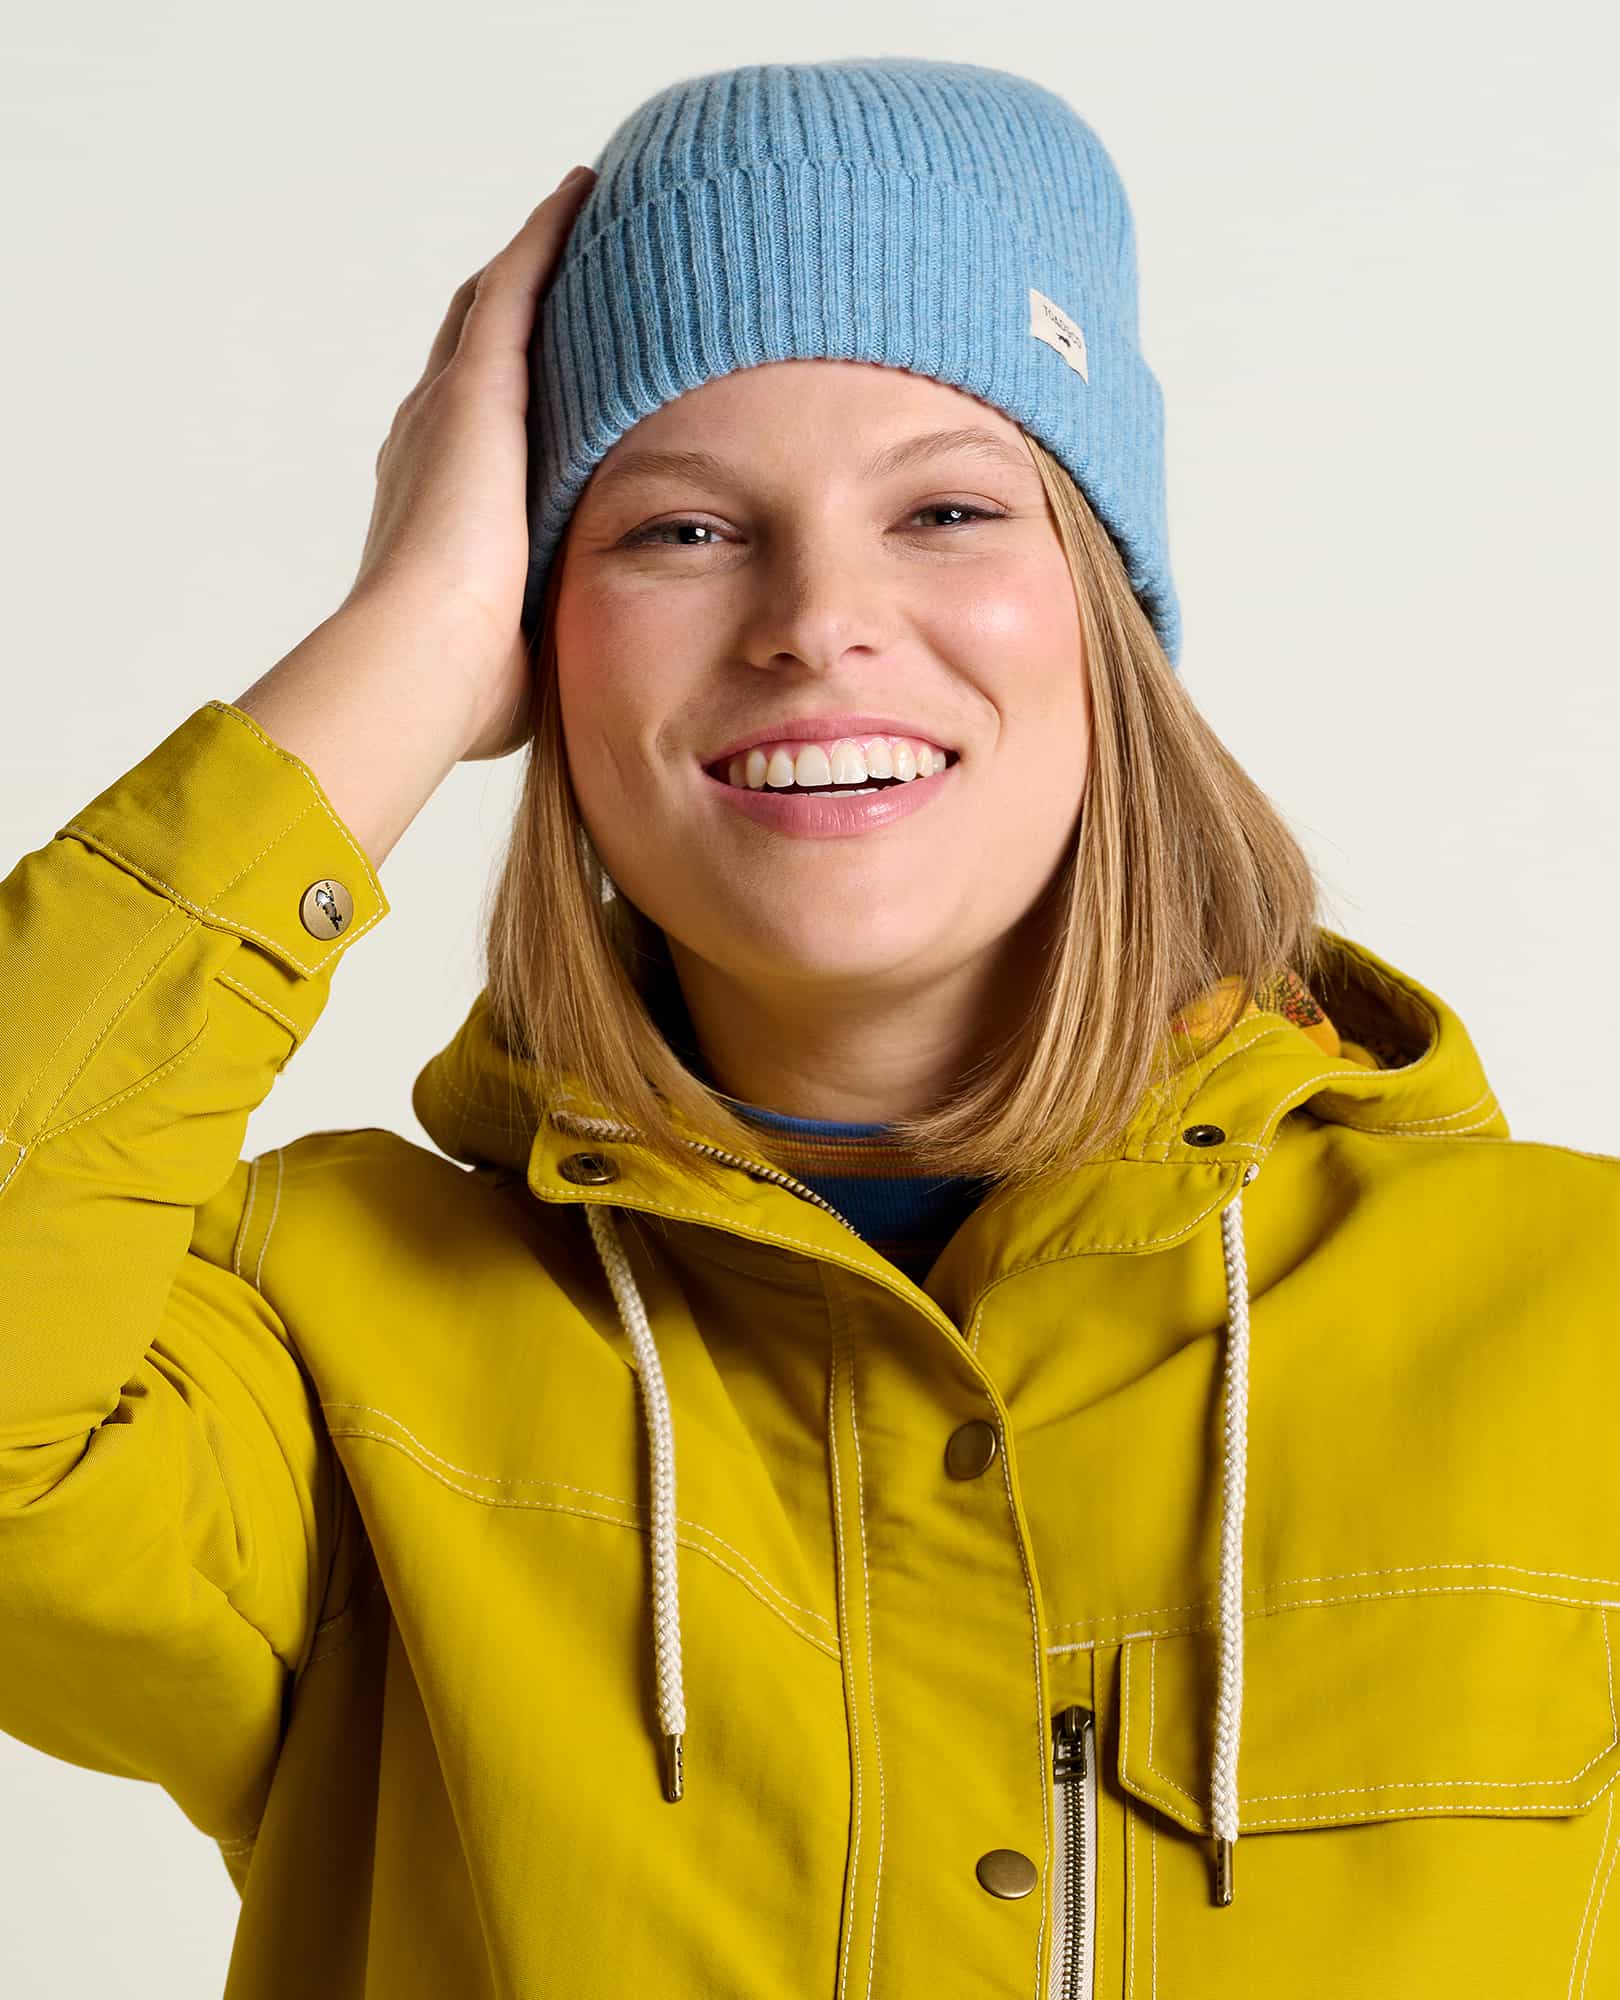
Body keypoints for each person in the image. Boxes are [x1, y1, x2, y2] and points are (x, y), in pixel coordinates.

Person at [3, 54, 1618, 2000]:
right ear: (539, 636)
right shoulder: (321, 1343)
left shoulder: (1575, 1323)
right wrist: (405, 640)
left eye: (946, 508)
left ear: (1107, 615)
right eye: (679, 532)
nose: (813, 621)